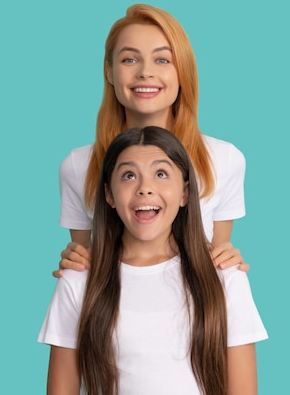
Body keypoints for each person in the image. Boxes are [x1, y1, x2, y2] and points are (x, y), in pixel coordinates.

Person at [39, 126, 267, 395]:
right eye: (128, 175)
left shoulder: (226, 279)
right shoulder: (78, 282)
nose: (145, 188)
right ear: (109, 195)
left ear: (184, 193)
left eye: (161, 174)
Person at [54, 3, 250, 278]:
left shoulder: (224, 159)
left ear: (182, 71)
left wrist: (228, 256)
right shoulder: (78, 166)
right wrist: (74, 259)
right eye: (129, 59)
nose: (145, 72)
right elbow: (84, 271)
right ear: (109, 72)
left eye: (162, 60)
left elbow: (218, 267)